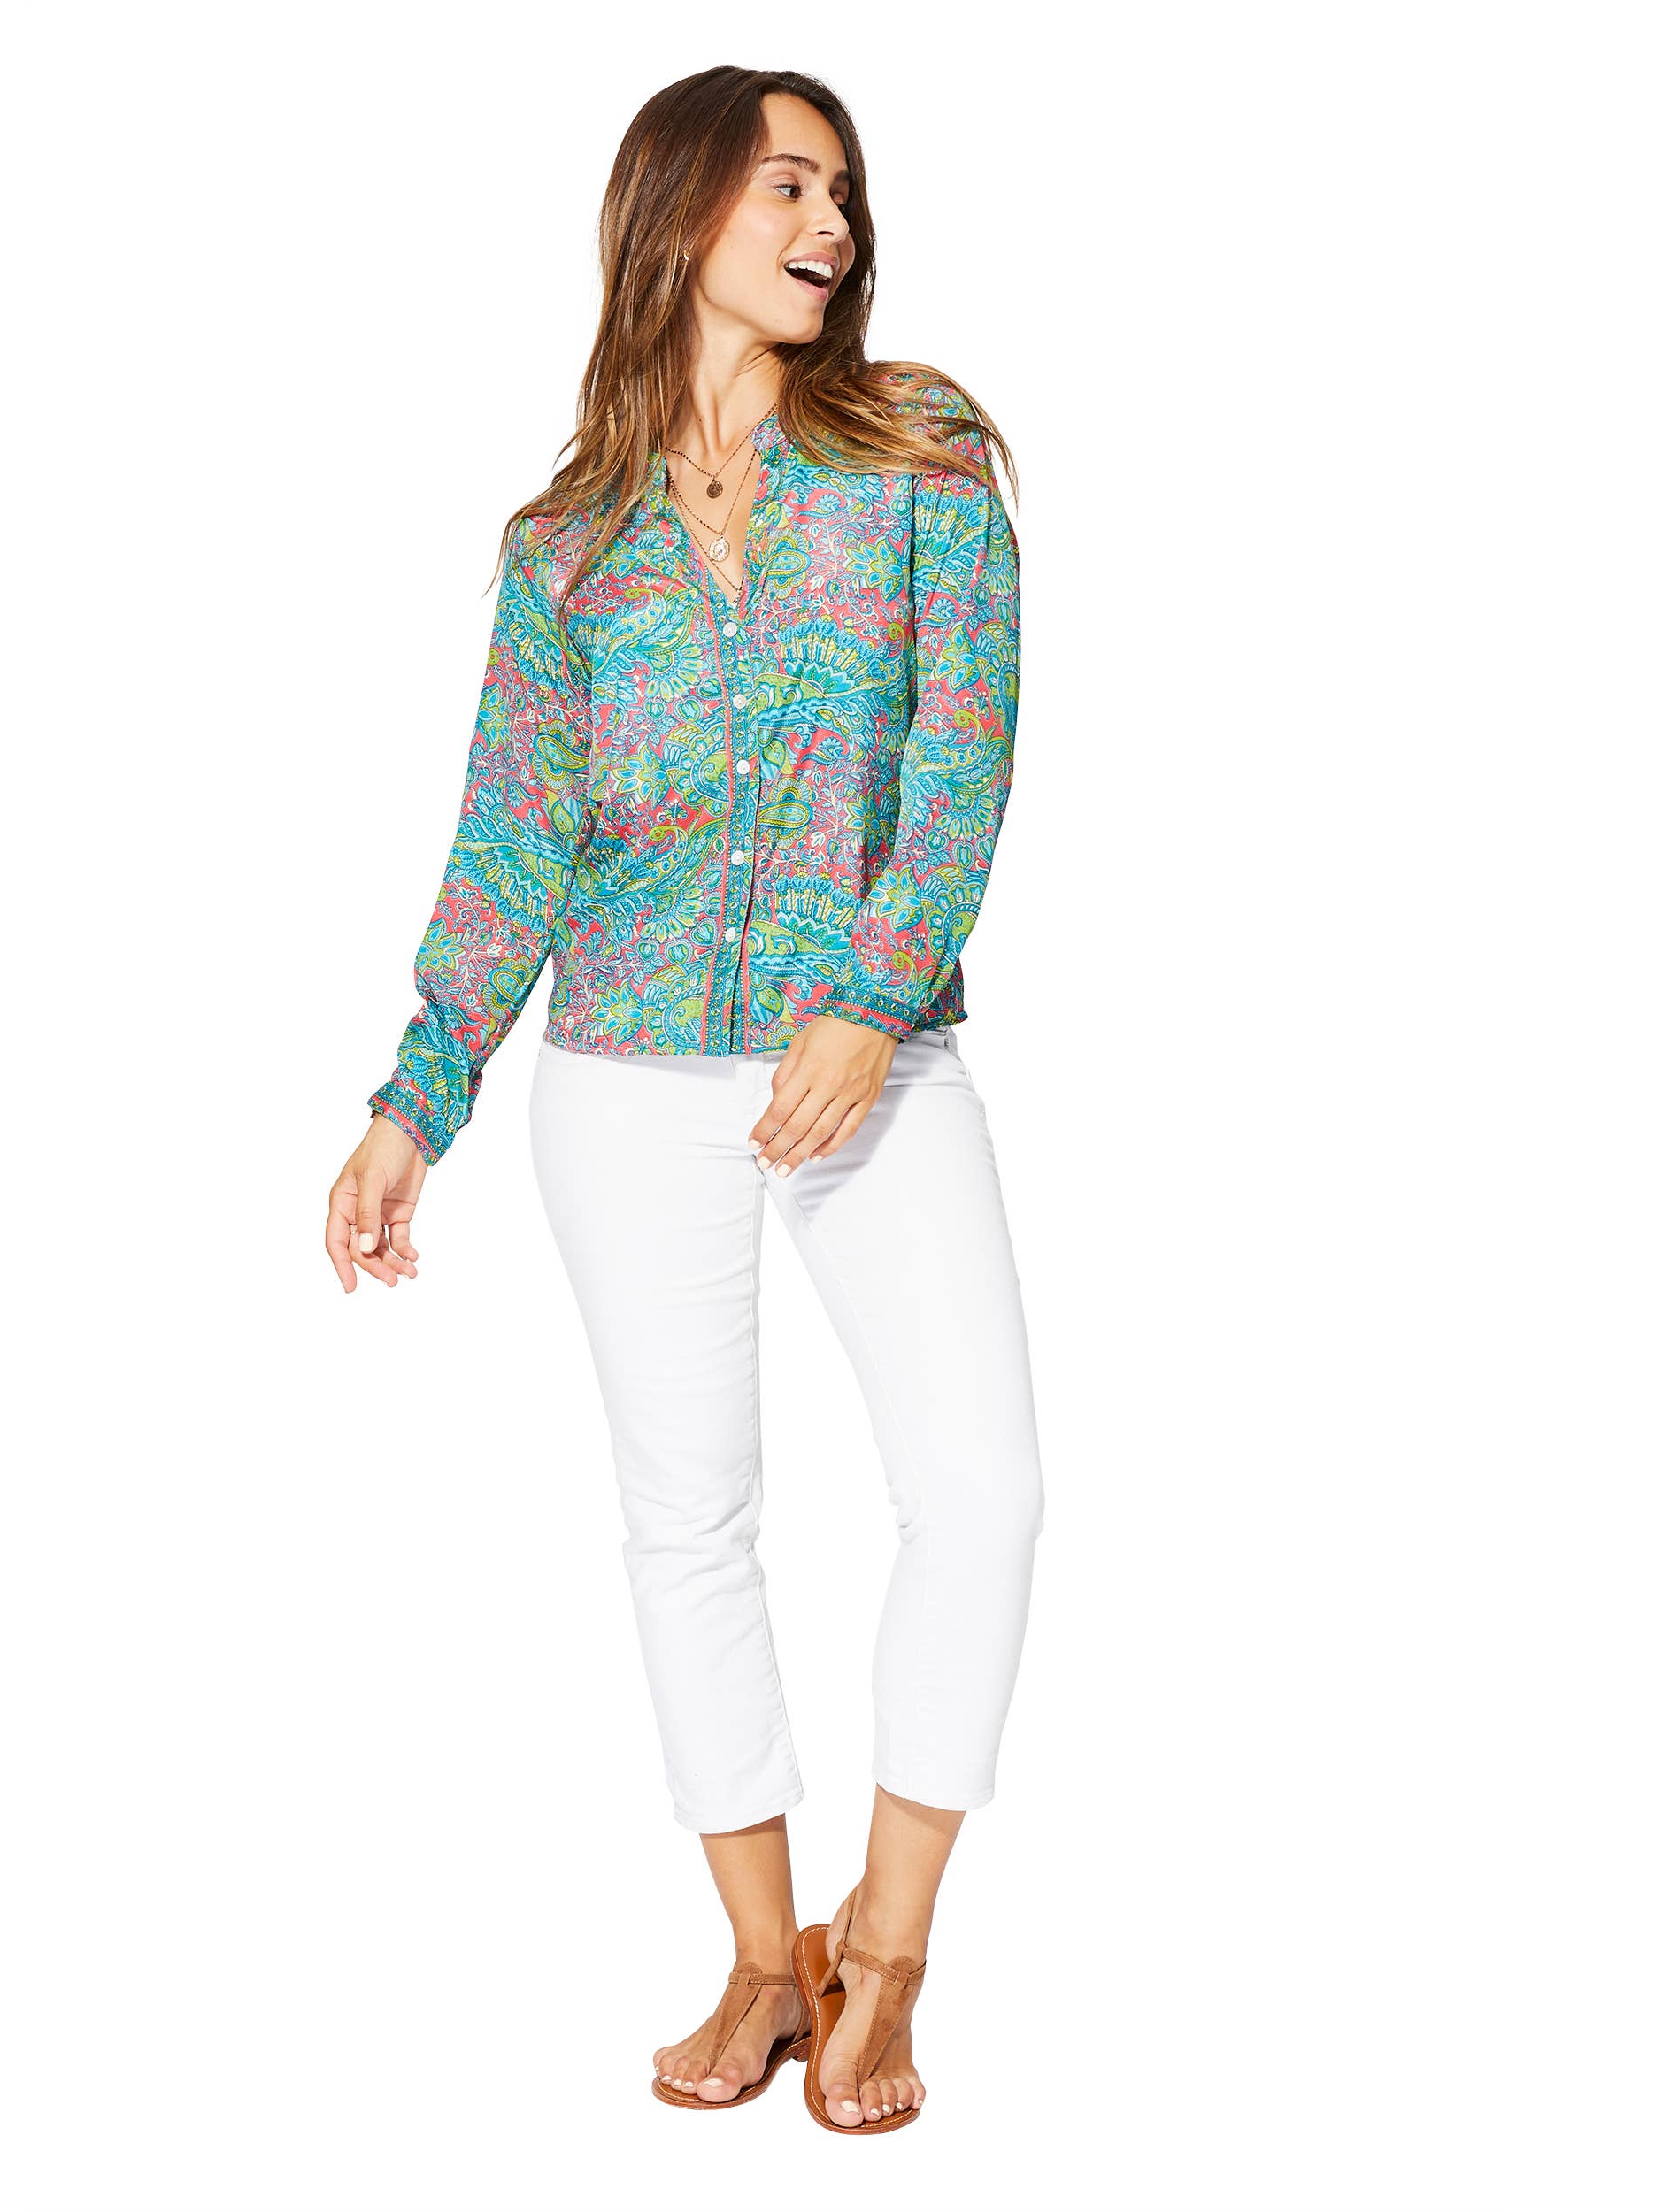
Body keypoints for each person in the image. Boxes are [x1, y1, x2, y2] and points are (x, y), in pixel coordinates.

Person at [323, 65, 1043, 2135]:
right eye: (783, 184)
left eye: (841, 190)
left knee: (981, 1491)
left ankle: (881, 1950)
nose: (828, 223)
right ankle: (755, 1955)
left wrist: (865, 1001)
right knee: (686, 1515)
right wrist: (412, 1101)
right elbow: (511, 837)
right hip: (623, 1075)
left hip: (869, 1059)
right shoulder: (566, 546)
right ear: (679, 212)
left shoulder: (917, 452)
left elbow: (963, 756)